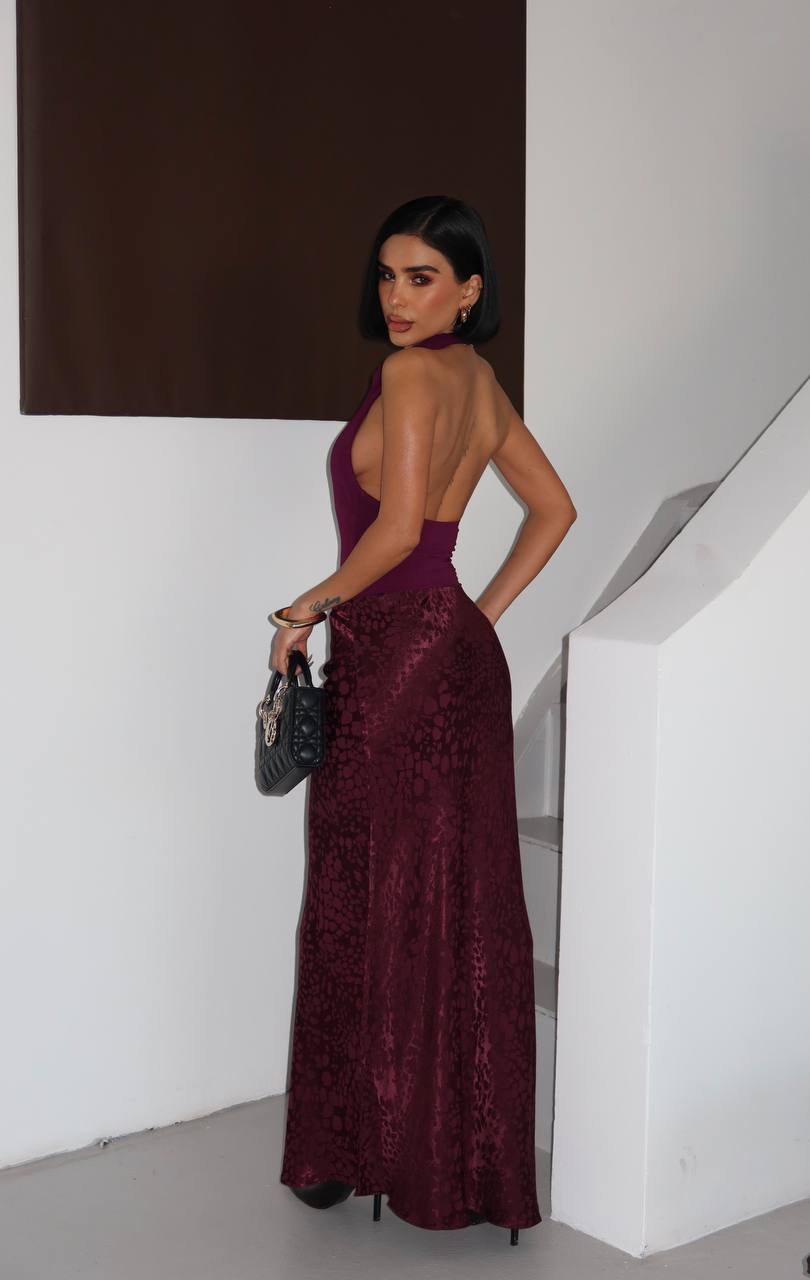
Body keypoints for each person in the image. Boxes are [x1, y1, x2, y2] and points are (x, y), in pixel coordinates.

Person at [272, 195, 577, 1244]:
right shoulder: (481, 385)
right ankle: (462, 1167)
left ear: (470, 289)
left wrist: (303, 610)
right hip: (451, 653)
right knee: (459, 900)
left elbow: (399, 529)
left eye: (423, 278)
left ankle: (348, 1149)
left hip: (396, 656)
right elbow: (555, 509)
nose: (398, 299)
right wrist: (474, 618)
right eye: (389, 275)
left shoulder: (410, 377)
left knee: (361, 892)